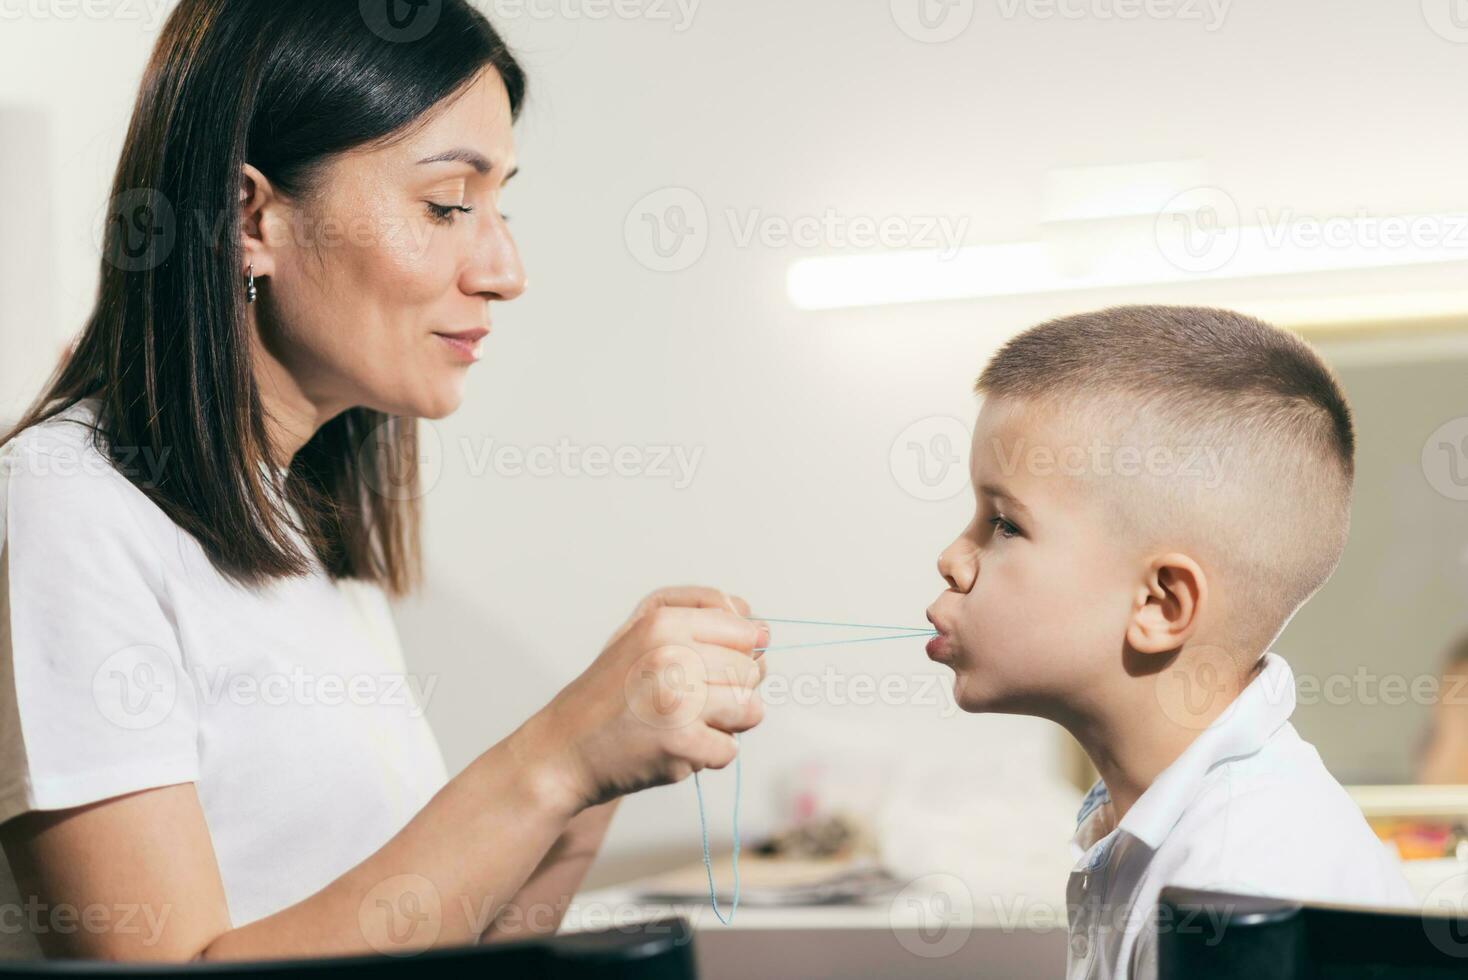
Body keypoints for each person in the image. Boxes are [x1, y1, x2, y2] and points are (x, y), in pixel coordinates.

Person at [0, 0, 767, 961]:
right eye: (449, 204)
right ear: (251, 218)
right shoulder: (66, 506)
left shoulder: (301, 520)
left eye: (500, 208)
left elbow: (434, 947)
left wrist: (594, 771)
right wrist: (554, 756)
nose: (505, 269)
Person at [923, 305, 1415, 980]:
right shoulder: (1154, 827)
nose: (954, 558)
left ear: (1159, 604)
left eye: (1004, 524)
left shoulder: (1239, 877)